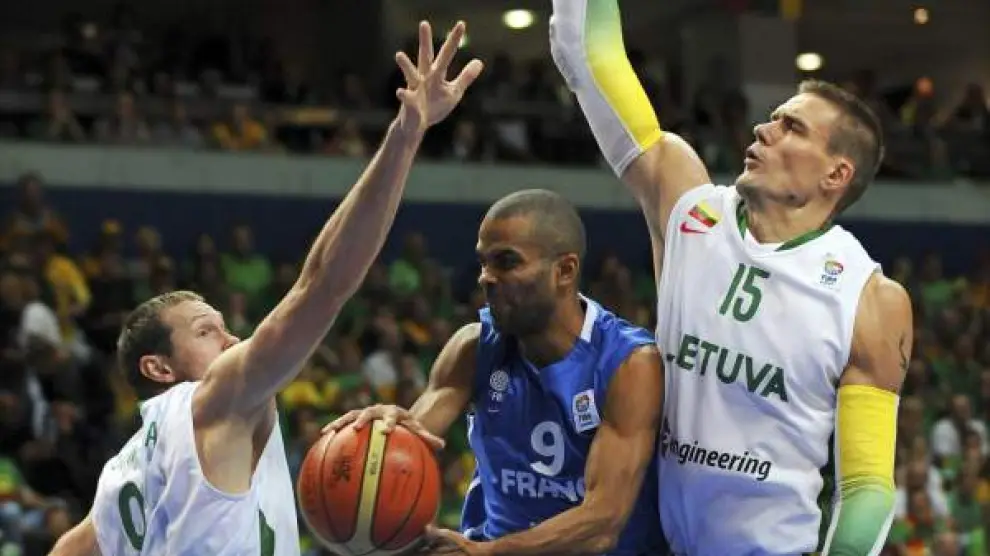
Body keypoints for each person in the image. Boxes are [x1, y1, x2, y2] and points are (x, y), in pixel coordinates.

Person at [47, 20, 484, 556]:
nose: (232, 340)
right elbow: (323, 283)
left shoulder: (123, 473)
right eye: (206, 331)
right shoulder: (216, 396)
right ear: (158, 368)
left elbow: (69, 549)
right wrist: (406, 134)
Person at [549, 2, 912, 555]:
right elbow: (585, 54)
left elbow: (866, 490)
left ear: (836, 173)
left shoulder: (869, 298)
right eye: (773, 117)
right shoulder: (689, 207)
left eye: (791, 127)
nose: (764, 129)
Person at [327, 189, 667, 555]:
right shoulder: (474, 348)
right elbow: (414, 437)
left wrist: (490, 552)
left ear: (564, 271)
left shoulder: (628, 363)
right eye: (483, 263)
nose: (486, 278)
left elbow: (602, 523)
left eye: (506, 262)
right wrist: (385, 435)